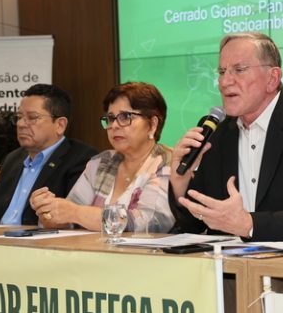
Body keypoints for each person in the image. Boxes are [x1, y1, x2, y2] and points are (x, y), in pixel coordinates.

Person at [169, 32, 283, 241]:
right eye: (222, 71)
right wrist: (180, 182)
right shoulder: (217, 132)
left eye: (239, 70)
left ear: (272, 78)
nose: (224, 82)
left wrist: (248, 224)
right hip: (230, 259)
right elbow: (194, 225)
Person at [28, 82, 174, 232]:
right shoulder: (102, 162)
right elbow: (69, 220)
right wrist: (49, 211)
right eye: (110, 118)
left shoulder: (168, 162)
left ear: (152, 124)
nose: (114, 125)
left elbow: (150, 223)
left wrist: (75, 213)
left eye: (125, 116)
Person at [0, 84, 97, 225]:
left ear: (60, 125)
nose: (21, 124)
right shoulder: (12, 159)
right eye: (19, 117)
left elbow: (73, 222)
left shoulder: (82, 159)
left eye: (32, 117)